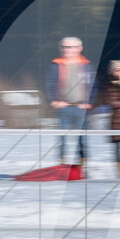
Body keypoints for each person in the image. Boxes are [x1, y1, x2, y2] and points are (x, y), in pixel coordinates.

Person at [46, 37, 95, 171]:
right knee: (62, 138)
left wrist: (89, 102)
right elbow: (49, 85)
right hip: (63, 108)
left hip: (81, 108)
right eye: (64, 47)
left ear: (79, 48)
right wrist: (54, 101)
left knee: (82, 139)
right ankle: (62, 166)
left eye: (70, 47)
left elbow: (93, 85)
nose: (67, 50)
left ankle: (82, 167)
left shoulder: (86, 66)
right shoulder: (55, 65)